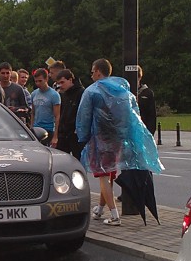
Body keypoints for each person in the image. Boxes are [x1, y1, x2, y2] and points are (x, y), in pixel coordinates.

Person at [76, 59, 164, 226]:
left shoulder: (91, 91)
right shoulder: (122, 91)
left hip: (99, 137)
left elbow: (84, 116)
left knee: (102, 175)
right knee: (108, 172)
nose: (91, 74)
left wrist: (83, 136)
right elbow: (132, 116)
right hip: (117, 139)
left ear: (97, 71)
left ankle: (114, 215)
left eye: (92, 71)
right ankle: (101, 208)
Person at [54, 69, 85, 160]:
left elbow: (83, 112)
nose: (61, 86)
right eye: (58, 83)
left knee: (78, 159)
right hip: (64, 132)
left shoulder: (81, 93)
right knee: (61, 159)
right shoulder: (63, 94)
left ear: (70, 80)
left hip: (75, 133)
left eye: (62, 82)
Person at [28, 68, 61, 147]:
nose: (38, 83)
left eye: (40, 81)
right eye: (36, 81)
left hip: (48, 129)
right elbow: (33, 112)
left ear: (46, 79)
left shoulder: (54, 95)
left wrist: (55, 136)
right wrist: (31, 127)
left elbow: (57, 116)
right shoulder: (34, 94)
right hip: (36, 128)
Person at [136, 66, 157, 135]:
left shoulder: (147, 93)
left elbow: (152, 115)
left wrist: (150, 133)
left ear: (140, 77)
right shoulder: (125, 92)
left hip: (143, 130)